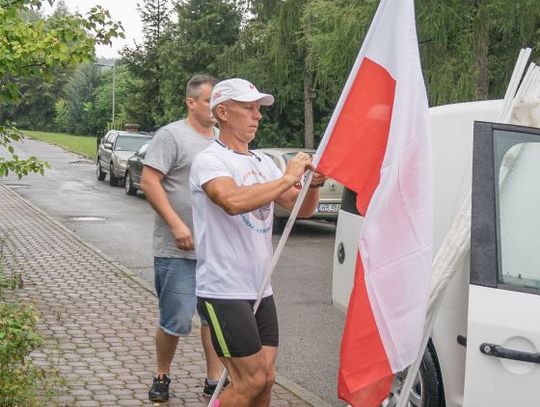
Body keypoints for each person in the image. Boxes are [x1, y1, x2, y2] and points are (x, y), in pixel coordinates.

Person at [189, 78, 326, 407]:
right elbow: (232, 201)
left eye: (259, 108)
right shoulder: (210, 160)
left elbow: (301, 209)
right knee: (249, 382)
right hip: (224, 290)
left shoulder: (263, 161)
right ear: (223, 112)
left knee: (266, 380)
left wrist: (313, 185)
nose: (258, 115)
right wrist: (288, 178)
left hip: (261, 289)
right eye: (249, 108)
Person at [141, 74, 224, 402]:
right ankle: (162, 374)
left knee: (213, 318)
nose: (215, 107)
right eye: (209, 101)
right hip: (177, 250)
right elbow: (149, 182)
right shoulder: (171, 135)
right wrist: (177, 225)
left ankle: (213, 379)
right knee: (174, 318)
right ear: (191, 102)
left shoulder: (222, 140)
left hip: (214, 250)